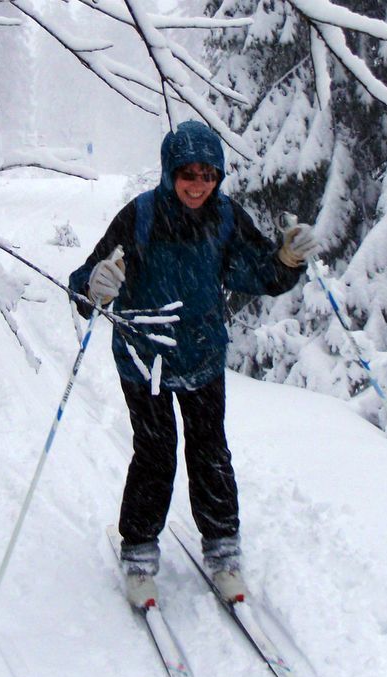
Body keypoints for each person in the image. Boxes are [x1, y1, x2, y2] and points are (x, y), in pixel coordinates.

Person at [69, 120, 321, 608]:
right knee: (156, 454)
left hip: (203, 355)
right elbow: (85, 281)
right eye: (189, 172)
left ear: (219, 176)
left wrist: (288, 260)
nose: (198, 184)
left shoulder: (225, 217)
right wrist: (95, 285)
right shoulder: (140, 216)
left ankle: (223, 553)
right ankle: (140, 556)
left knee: (210, 451)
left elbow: (260, 273)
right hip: (145, 360)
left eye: (208, 174)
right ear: (170, 172)